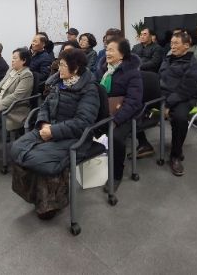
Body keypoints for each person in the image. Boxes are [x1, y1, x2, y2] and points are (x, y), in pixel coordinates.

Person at [10, 48, 99, 219]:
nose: (59, 68)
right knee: (17, 148)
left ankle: (51, 203)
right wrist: (44, 123)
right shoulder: (59, 83)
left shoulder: (89, 89)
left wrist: (53, 131)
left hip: (75, 137)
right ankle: (35, 196)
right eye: (60, 64)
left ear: (75, 68)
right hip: (49, 127)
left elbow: (83, 123)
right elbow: (44, 106)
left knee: (40, 158)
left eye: (63, 65)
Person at [95, 37, 143, 192]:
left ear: (122, 54)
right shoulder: (104, 69)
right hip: (105, 111)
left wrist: (116, 120)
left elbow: (133, 102)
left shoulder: (132, 73)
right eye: (107, 49)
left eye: (111, 50)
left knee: (115, 137)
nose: (107, 53)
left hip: (125, 114)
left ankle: (116, 174)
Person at [159, 32, 197, 176]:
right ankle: (143, 143)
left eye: (176, 43)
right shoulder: (167, 59)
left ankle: (176, 155)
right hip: (163, 96)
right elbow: (160, 79)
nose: (172, 46)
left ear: (186, 46)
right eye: (171, 43)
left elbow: (185, 90)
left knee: (179, 118)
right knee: (136, 106)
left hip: (184, 98)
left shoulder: (194, 65)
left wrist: (167, 104)